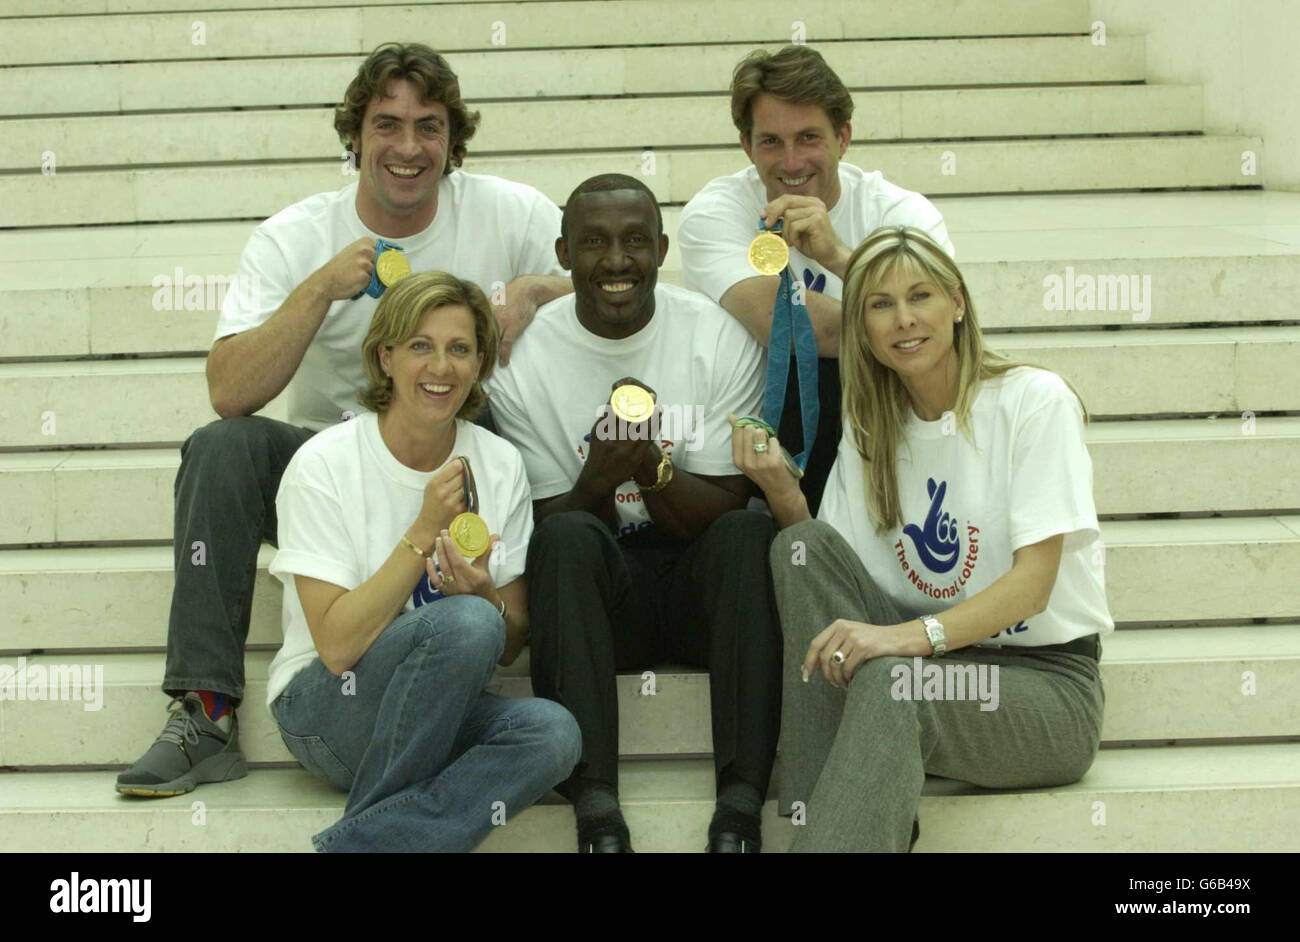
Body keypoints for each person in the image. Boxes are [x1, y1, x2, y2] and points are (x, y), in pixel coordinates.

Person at [117, 42, 570, 798]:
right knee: (222, 447)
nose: (407, 147)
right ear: (354, 136)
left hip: (457, 449)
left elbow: (611, 279)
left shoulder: (512, 210)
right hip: (332, 467)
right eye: (386, 125)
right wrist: (319, 289)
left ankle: (504, 673)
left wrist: (535, 289)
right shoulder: (295, 235)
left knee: (505, 453)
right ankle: (204, 711)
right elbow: (229, 389)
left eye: (429, 127)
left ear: (453, 141)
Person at [731, 226, 1111, 852]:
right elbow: (828, 591)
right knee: (798, 549)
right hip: (923, 671)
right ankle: (828, 820)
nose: (903, 320)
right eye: (880, 305)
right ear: (863, 328)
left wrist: (908, 640)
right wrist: (781, 491)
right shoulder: (872, 424)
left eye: (921, 297)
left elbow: (1035, 587)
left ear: (957, 303)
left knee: (892, 680)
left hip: (1043, 686)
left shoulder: (1033, 403)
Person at [485, 174, 782, 853]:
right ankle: (594, 807)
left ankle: (740, 805)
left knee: (748, 535)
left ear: (662, 249)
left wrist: (649, 466)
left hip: (697, 589)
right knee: (565, 535)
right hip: (599, 603)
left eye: (635, 242)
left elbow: (731, 503)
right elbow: (539, 526)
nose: (616, 261)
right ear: (562, 253)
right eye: (593, 242)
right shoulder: (523, 359)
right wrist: (598, 477)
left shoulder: (715, 334)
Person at [266, 270, 579, 852]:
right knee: (465, 622)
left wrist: (483, 592)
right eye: (420, 346)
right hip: (328, 708)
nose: (441, 368)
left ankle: (362, 845)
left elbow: (508, 643)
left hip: (436, 710)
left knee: (552, 735)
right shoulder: (323, 463)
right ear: (385, 358)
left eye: (459, 349)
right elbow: (336, 647)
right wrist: (421, 534)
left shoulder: (499, 462)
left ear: (480, 363)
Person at [678, 44, 954, 516]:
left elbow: (943, 331)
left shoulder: (900, 213)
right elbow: (799, 330)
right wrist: (892, 315)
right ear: (746, 146)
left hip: (879, 415)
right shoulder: (715, 213)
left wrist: (840, 257)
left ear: (842, 138)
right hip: (762, 427)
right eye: (770, 142)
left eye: (808, 138)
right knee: (808, 361)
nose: (790, 162)